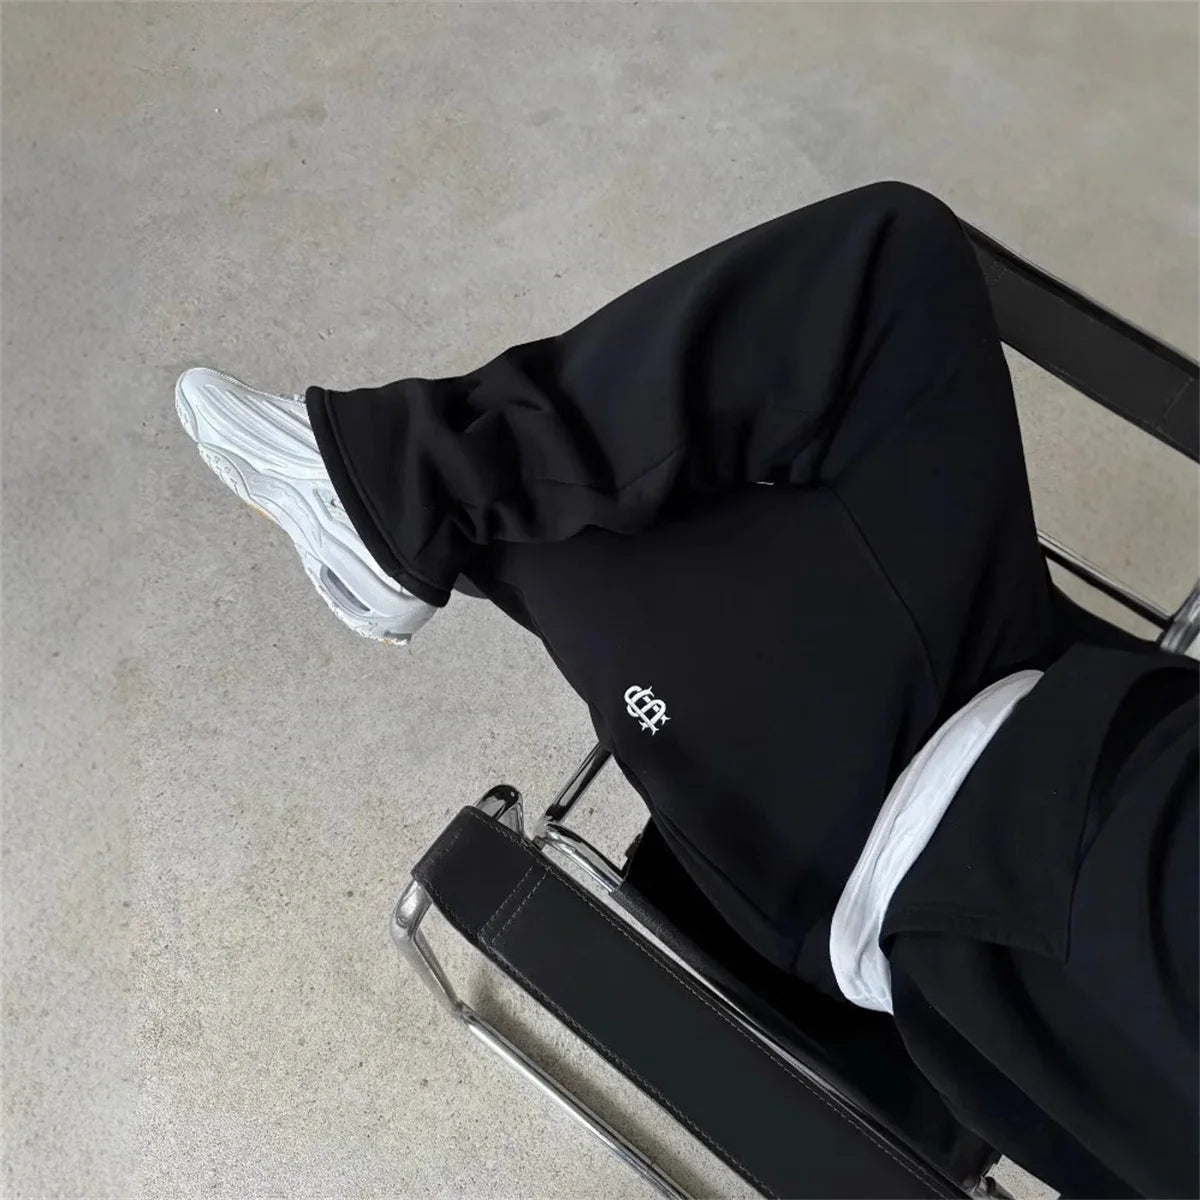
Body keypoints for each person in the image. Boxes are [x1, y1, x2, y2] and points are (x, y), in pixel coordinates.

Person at [175, 182, 1197, 1198]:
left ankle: (396, 498)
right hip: (1052, 696)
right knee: (891, 271)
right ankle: (399, 506)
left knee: (591, 500)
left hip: (911, 841)